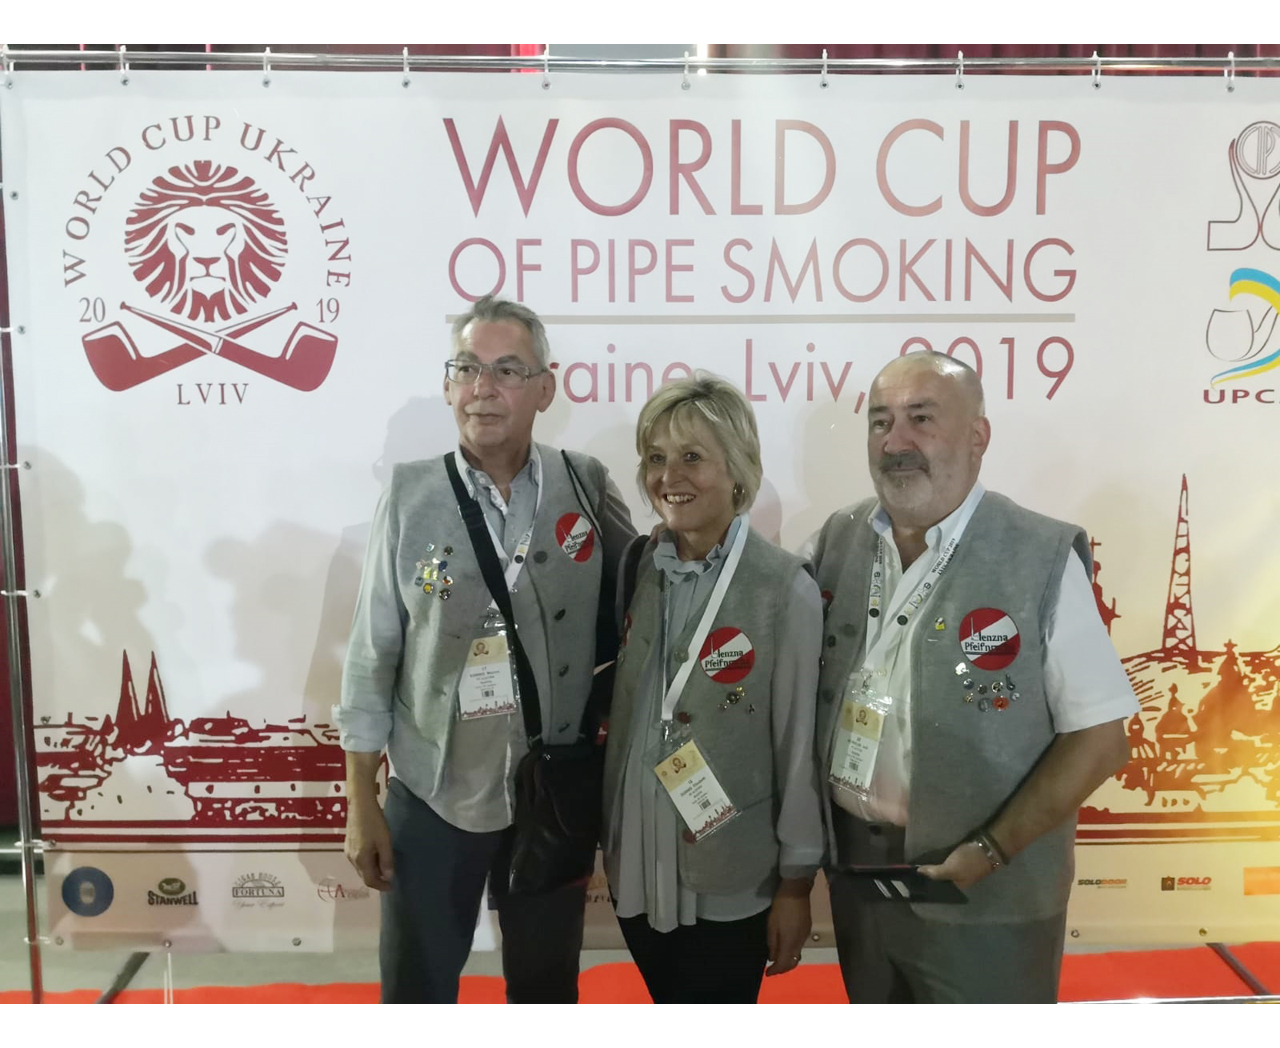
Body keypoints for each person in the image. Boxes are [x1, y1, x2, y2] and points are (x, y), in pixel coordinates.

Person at [809, 350, 1137, 1004]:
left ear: (978, 437)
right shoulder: (838, 539)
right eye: (881, 422)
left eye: (921, 418)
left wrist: (991, 849)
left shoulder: (1038, 554)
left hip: (987, 899)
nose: (896, 442)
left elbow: (1101, 739)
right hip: (860, 886)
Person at [336, 295, 636, 1003]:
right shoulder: (409, 496)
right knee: (416, 989)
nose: (483, 387)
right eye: (467, 368)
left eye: (507, 370)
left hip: (549, 787)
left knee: (544, 990)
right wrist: (359, 799)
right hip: (432, 786)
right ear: (448, 387)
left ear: (544, 389)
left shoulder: (585, 484)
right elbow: (373, 650)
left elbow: (642, 603)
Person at [602, 373, 825, 1004]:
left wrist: (796, 882)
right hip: (635, 868)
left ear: (738, 469)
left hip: (731, 875)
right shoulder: (640, 567)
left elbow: (798, 746)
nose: (669, 476)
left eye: (692, 457)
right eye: (656, 458)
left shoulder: (785, 588)